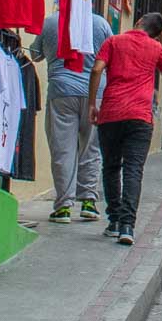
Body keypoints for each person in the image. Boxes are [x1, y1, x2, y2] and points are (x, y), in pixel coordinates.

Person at [87, 13, 162, 246]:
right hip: (140, 117)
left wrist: (92, 104)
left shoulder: (114, 42)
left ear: (138, 22)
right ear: (158, 32)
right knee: (133, 170)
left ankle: (114, 220)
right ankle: (128, 226)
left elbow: (96, 70)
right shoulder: (155, 47)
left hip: (111, 113)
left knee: (111, 166)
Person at [32, 11, 112, 225]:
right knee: (91, 148)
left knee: (63, 150)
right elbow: (110, 56)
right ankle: (88, 201)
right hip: (95, 94)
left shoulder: (49, 22)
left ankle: (64, 206)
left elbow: (34, 54)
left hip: (61, 91)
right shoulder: (101, 24)